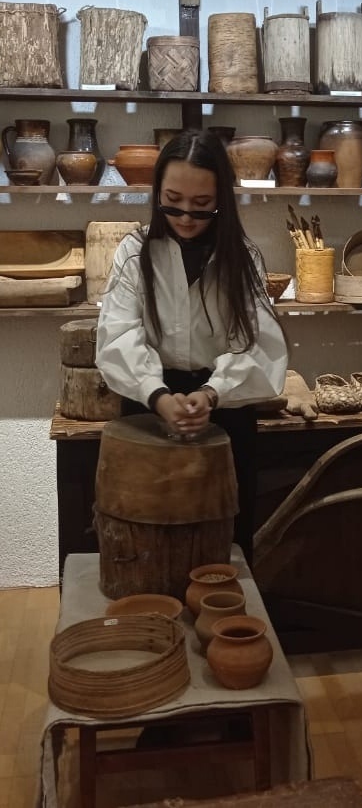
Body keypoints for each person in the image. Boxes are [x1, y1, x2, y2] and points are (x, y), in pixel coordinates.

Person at [96, 129, 288, 568]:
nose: (185, 216)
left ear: (222, 199)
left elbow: (260, 345)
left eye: (202, 205)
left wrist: (212, 393)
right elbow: (118, 336)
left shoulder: (242, 258)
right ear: (157, 193)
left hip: (224, 411)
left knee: (223, 543)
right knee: (147, 537)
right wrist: (159, 396)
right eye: (173, 201)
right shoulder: (134, 253)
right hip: (147, 407)